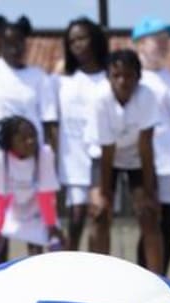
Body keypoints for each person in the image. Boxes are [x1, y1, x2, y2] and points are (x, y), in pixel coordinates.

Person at [87, 49, 162, 273]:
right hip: (104, 157)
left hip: (136, 157)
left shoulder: (147, 96)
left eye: (129, 76)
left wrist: (148, 192)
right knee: (100, 214)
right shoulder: (99, 99)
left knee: (148, 214)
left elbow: (146, 145)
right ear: (109, 76)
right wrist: (104, 194)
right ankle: (98, 276)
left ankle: (157, 277)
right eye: (117, 75)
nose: (123, 81)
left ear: (138, 77)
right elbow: (107, 149)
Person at [132, 16, 170, 274]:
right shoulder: (129, 78)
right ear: (140, 43)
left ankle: (162, 280)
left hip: (167, 167)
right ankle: (140, 277)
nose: (163, 45)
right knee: (146, 223)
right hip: (137, 165)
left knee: (165, 225)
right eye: (157, 40)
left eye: (166, 40)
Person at [0, 15, 58, 183]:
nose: (14, 49)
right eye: (8, 43)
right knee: (0, 209)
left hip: (31, 162)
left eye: (18, 43)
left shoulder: (39, 78)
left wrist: (50, 165)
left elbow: (50, 125)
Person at [57, 17, 110, 251]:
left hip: (102, 159)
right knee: (75, 217)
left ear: (95, 40)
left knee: (99, 219)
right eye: (72, 41)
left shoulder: (109, 78)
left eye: (82, 38)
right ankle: (67, 270)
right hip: (73, 160)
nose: (77, 45)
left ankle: (98, 273)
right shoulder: (63, 81)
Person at [0, 116, 62, 256]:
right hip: (12, 213)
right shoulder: (1, 158)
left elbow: (46, 196)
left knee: (54, 243)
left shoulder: (44, 154)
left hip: (38, 213)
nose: (31, 141)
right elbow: (1, 199)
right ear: (11, 142)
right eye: (24, 138)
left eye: (33, 136)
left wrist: (51, 225)